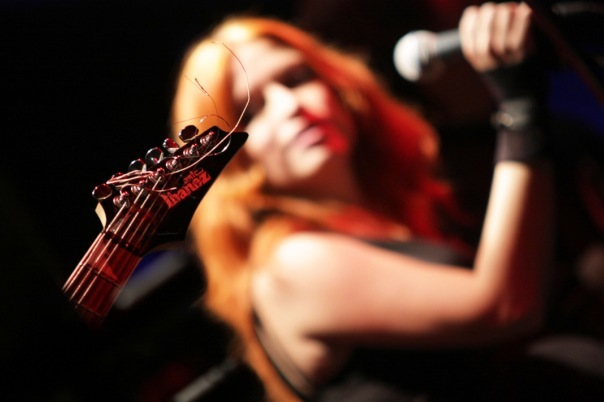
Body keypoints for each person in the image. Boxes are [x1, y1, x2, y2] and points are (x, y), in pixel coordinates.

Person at [170, 2, 604, 401]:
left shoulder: (388, 218)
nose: (289, 107)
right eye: (251, 111)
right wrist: (519, 110)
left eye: (296, 78)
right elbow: (505, 306)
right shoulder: (291, 262)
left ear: (337, 85)